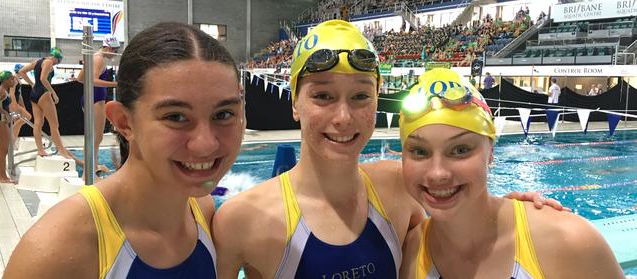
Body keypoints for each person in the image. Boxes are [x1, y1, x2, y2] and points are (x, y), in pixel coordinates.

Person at [214, 20, 564, 279]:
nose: (343, 116)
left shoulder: (400, 187)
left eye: (361, 96)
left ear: (377, 100)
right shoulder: (239, 220)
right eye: (323, 96)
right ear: (294, 102)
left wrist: (514, 212)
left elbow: (463, 223)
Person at [4, 22, 245, 278]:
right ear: (123, 122)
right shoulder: (58, 249)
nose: (206, 144)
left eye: (224, 114)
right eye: (176, 117)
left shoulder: (203, 210)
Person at [397, 68, 623, 278]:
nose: (438, 173)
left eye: (460, 150)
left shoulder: (568, 240)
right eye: (419, 151)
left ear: (491, 152)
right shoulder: (409, 253)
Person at [17, 47, 79, 161]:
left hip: (34, 93)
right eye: (58, 61)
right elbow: (43, 79)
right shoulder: (49, 62)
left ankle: (40, 150)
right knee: (54, 125)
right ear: (56, 58)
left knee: (38, 123)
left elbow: (21, 71)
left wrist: (32, 84)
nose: (57, 64)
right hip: (44, 94)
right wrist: (53, 93)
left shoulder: (38, 61)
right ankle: (61, 150)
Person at [76, 35, 120, 174]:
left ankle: (93, 167)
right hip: (95, 99)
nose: (114, 54)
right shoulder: (99, 59)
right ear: (109, 47)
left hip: (90, 98)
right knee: (96, 137)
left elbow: (80, 79)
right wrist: (115, 85)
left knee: (94, 136)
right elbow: (93, 80)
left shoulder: (93, 57)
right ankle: (89, 172)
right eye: (115, 50)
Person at [9, 64, 33, 147]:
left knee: (17, 123)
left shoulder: (18, 80)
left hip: (15, 102)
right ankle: (10, 136)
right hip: (11, 103)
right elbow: (11, 93)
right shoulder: (14, 79)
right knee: (27, 117)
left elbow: (19, 95)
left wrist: (22, 105)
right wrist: (14, 104)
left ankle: (12, 143)